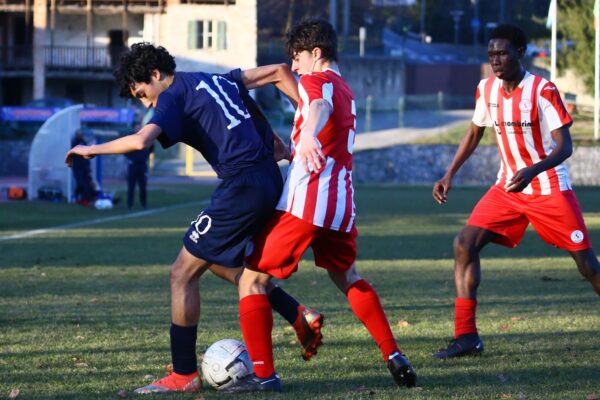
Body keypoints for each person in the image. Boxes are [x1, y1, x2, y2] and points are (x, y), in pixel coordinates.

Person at [65, 43, 324, 393]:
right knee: (219, 263)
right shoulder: (214, 78)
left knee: (181, 273)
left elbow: (142, 141)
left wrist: (88, 149)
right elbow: (279, 70)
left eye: (143, 93)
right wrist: (300, 124)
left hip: (241, 186)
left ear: (156, 75)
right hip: (267, 178)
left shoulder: (172, 95)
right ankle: (298, 314)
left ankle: (183, 375)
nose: (146, 103)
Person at [224, 18, 417, 393]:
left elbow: (318, 108)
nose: (293, 68)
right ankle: (393, 353)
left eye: (296, 58)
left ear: (316, 53)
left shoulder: (317, 82)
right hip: (341, 205)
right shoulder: (346, 88)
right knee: (348, 278)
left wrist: (308, 134)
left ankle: (264, 376)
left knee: (252, 280)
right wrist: (296, 147)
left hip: (306, 203)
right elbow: (325, 120)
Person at [431, 24, 600, 359]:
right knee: (464, 244)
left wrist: (533, 171)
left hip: (549, 188)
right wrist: (449, 173)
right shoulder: (486, 89)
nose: (495, 60)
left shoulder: (542, 90)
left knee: (587, 266)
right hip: (507, 187)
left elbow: (565, 147)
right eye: (491, 54)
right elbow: (475, 132)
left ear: (520, 52)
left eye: (503, 53)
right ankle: (467, 338)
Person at [124, 125, 153, 210]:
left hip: (142, 166)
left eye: (140, 127)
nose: (138, 129)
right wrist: (131, 157)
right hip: (132, 166)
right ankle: (130, 205)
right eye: (137, 127)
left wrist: (144, 156)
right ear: (134, 128)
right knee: (131, 187)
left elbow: (151, 148)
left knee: (143, 187)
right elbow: (125, 150)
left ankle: (144, 204)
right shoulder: (131, 138)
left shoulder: (146, 137)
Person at [70, 129, 98, 205]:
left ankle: (87, 198)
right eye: (79, 134)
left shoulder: (83, 142)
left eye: (81, 134)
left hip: (85, 167)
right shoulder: (74, 143)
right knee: (80, 183)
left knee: (87, 183)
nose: (80, 136)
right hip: (78, 167)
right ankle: (77, 198)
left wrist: (88, 167)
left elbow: (87, 155)